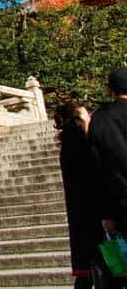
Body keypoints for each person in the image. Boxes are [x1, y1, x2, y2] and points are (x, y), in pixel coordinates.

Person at [57, 101, 100, 289]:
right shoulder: (77, 136)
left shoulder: (68, 137)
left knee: (86, 268)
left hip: (80, 207)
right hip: (91, 205)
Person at [89, 68, 127, 237]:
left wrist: (105, 214)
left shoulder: (101, 119)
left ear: (110, 89)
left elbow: (96, 168)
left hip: (122, 203)